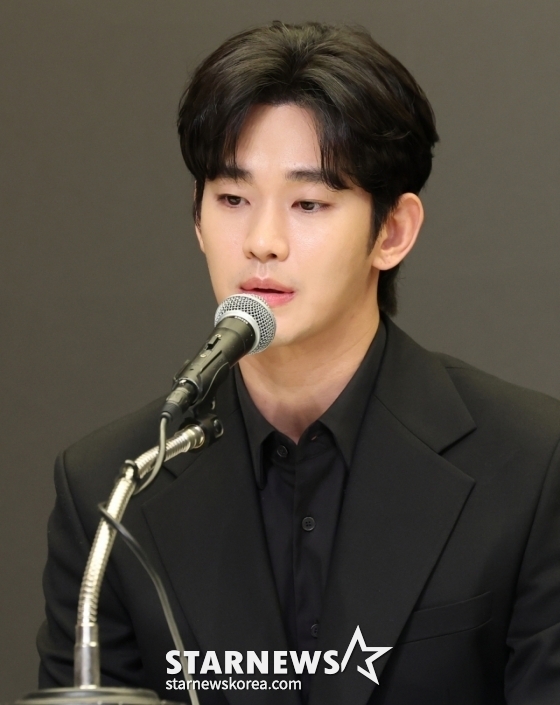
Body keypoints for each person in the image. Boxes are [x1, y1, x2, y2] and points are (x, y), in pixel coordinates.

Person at [37, 21, 560, 705]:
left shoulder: (532, 464)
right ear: (197, 219)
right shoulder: (113, 488)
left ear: (392, 231)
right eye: (232, 199)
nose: (262, 241)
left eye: (309, 203)